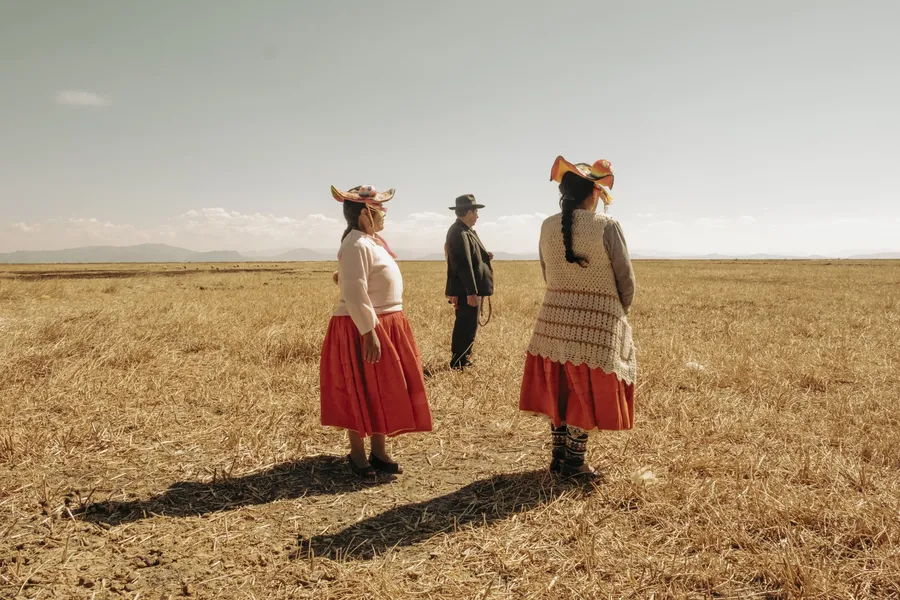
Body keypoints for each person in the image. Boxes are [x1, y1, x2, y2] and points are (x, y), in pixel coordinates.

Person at [519, 156, 636, 479]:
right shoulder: (607, 227)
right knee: (584, 390)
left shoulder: (546, 226)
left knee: (560, 387)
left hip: (553, 321)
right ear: (594, 193)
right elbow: (626, 281)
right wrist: (615, 312)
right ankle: (574, 462)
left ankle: (559, 456)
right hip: (596, 323)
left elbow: (547, 272)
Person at [320, 184, 432, 481]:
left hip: (385, 322)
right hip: (363, 326)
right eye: (379, 210)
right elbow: (354, 291)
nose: (384, 215)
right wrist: (369, 331)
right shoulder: (355, 244)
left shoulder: (371, 242)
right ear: (364, 214)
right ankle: (357, 455)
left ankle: (379, 452)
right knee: (358, 387)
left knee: (381, 386)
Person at [444, 194, 494, 370]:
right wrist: (471, 292)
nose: (478, 216)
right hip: (465, 290)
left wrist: (484, 256)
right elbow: (463, 264)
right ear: (469, 212)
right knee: (465, 325)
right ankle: (459, 361)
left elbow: (470, 259)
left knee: (469, 324)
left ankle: (463, 358)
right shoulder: (459, 232)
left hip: (467, 289)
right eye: (476, 212)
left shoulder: (465, 231)